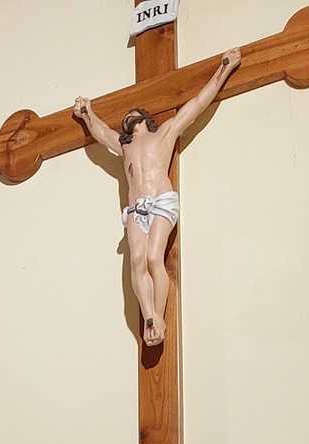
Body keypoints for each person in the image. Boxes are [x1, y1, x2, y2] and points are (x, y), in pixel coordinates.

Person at [73, 49, 241, 346]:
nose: (127, 116)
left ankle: (160, 316)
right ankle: (149, 316)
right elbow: (100, 132)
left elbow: (198, 103)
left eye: (132, 114)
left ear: (144, 120)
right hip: (136, 208)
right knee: (137, 259)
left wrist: (224, 69)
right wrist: (87, 113)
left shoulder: (164, 133)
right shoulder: (123, 146)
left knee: (153, 256)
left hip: (161, 199)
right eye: (125, 117)